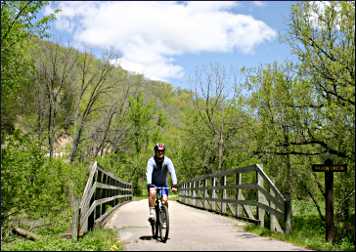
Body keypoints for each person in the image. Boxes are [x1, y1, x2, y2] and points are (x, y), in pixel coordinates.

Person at [146, 143, 177, 222]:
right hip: (153, 184)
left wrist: (174, 184)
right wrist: (149, 184)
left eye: (162, 151)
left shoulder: (167, 161)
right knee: (152, 193)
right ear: (155, 151)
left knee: (165, 200)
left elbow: (172, 172)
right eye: (158, 151)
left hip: (163, 185)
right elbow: (148, 172)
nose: (160, 153)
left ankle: (164, 217)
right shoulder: (151, 161)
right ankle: (152, 212)